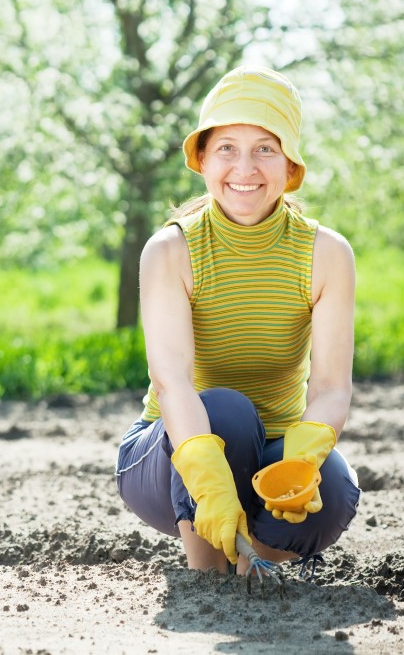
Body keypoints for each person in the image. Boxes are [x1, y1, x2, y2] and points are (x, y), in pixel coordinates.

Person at [115, 66, 360, 578]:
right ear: (201, 158)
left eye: (265, 148)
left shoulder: (326, 253)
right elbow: (173, 382)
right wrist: (207, 480)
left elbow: (333, 386)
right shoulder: (170, 249)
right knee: (225, 409)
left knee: (334, 487)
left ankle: (253, 566)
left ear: (290, 165)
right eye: (226, 147)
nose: (244, 167)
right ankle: (210, 576)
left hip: (272, 445)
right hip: (168, 456)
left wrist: (302, 460)